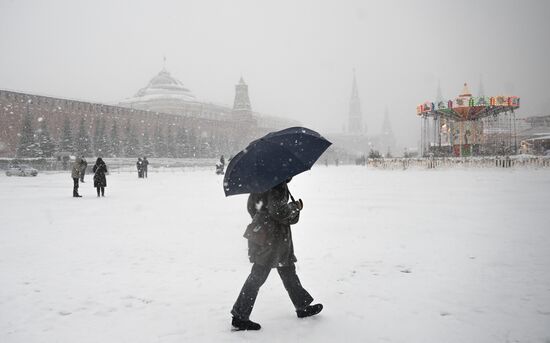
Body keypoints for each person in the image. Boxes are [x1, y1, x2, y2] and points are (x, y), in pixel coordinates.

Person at [231, 178, 323, 331]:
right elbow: (279, 211)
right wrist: (295, 207)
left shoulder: (261, 183)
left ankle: (302, 305)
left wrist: (263, 218)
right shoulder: (277, 184)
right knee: (258, 274)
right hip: (274, 239)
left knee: (288, 271)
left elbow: (251, 207)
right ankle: (240, 316)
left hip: (268, 235)